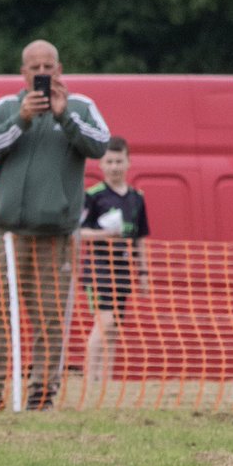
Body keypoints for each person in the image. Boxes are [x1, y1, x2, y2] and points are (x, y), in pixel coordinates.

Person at [0, 40, 110, 411]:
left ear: (60, 70)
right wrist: (22, 120)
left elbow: (99, 146)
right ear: (23, 72)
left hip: (55, 237)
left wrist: (63, 117)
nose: (43, 74)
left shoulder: (81, 107)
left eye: (49, 67)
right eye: (35, 67)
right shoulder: (5, 108)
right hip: (5, 233)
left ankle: (42, 392)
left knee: (49, 317)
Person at [81, 136, 150, 382]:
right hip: (98, 268)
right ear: (101, 164)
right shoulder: (93, 195)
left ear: (128, 163)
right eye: (109, 161)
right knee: (104, 322)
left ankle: (106, 380)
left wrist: (143, 274)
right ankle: (91, 378)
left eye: (119, 161)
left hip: (122, 270)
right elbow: (79, 232)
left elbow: (140, 238)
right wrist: (105, 234)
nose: (114, 166)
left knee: (113, 329)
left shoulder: (136, 198)